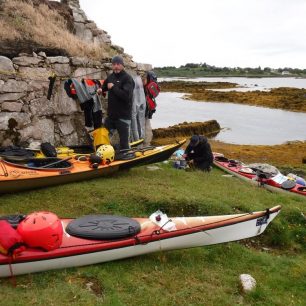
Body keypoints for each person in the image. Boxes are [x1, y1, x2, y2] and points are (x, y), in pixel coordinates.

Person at [101, 55, 135, 150]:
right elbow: (105, 86)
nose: (116, 66)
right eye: (114, 64)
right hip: (111, 116)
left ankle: (127, 159)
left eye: (118, 64)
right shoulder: (111, 77)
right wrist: (101, 89)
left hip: (123, 117)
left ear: (122, 65)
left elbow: (126, 96)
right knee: (103, 139)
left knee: (124, 144)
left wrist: (113, 88)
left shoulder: (127, 78)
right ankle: (105, 157)